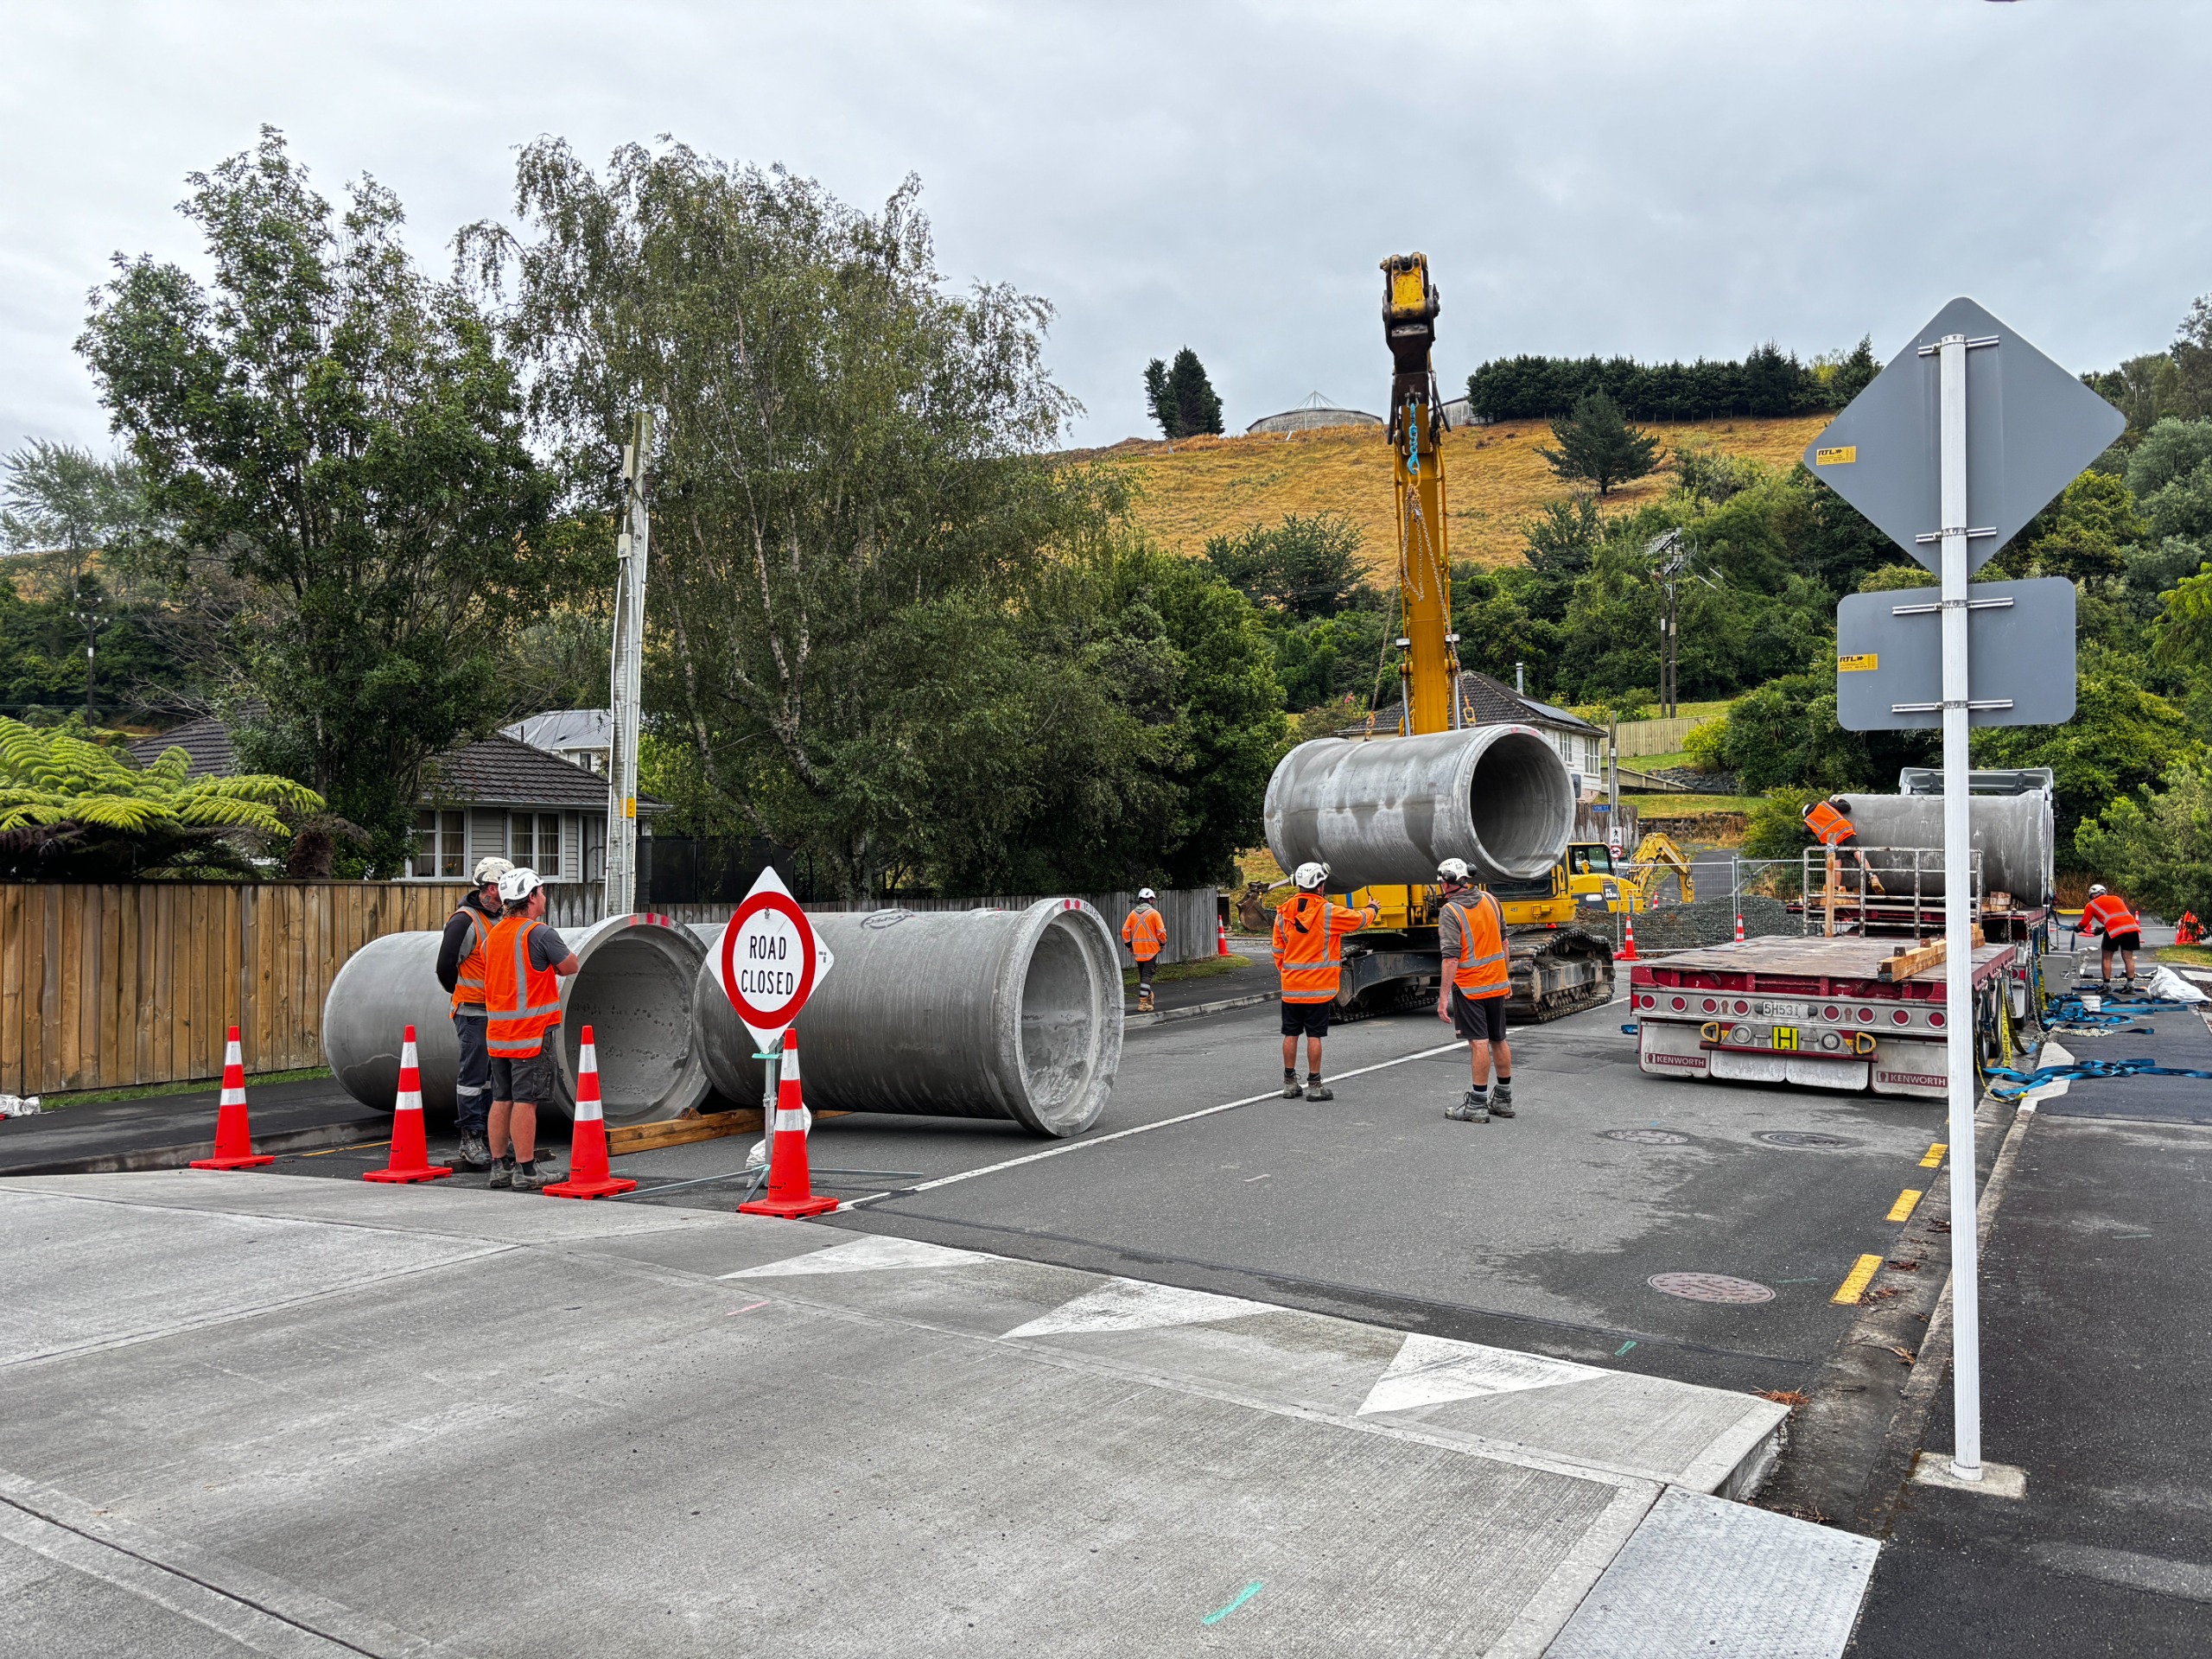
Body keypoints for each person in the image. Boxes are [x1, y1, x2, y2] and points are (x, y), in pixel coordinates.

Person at [482, 868, 582, 1192]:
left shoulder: (493, 935)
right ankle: (527, 1172)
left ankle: (499, 1167)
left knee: (502, 1098)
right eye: (540, 891)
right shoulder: (540, 933)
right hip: (531, 1036)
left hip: (499, 1035)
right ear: (530, 898)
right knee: (526, 1102)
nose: (544, 896)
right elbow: (570, 966)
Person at [1271, 861, 1376, 1100]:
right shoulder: (1327, 912)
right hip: (1317, 989)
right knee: (1314, 1036)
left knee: (1290, 1033)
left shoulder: (1283, 912)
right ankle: (1315, 1086)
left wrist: (1288, 973)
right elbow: (1359, 919)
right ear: (1320, 885)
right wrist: (1373, 908)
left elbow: (1278, 951)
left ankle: (1289, 1082)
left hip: (1292, 987)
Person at [435, 855, 512, 1168]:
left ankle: (492, 1139)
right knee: (474, 1078)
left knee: (495, 1079)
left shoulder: (501, 919)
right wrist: (464, 993)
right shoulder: (465, 921)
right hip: (473, 1012)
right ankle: (470, 1139)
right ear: (491, 888)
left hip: (497, 1013)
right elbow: (444, 967)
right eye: (503, 887)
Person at [1436, 858, 1514, 1123]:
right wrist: (1506, 979)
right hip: (1495, 983)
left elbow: (1450, 958)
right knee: (1498, 1039)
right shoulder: (1491, 900)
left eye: (1442, 882)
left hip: (1470, 986)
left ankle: (1477, 1104)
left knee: (1478, 1043)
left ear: (1448, 882)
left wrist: (1443, 996)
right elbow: (1504, 942)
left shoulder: (1450, 911)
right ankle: (1503, 1099)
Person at [2077, 882, 2144, 988]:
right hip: (2132, 929)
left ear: (2093, 895)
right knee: (2128, 958)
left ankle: (2107, 985)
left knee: (2107, 958)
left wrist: (2078, 928)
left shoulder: (2091, 905)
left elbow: (2084, 923)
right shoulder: (2117, 898)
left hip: (2114, 931)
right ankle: (2130, 985)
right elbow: (2119, 916)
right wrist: (2104, 928)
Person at [1122, 888, 1168, 1013]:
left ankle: (1148, 996)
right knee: (1146, 977)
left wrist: (1129, 945)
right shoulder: (1154, 914)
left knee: (1143, 976)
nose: (1153, 901)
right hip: (1151, 950)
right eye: (1152, 899)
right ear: (1150, 900)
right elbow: (1161, 932)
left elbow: (1125, 931)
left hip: (1138, 951)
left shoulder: (1132, 914)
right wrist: (1162, 943)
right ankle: (1143, 1003)